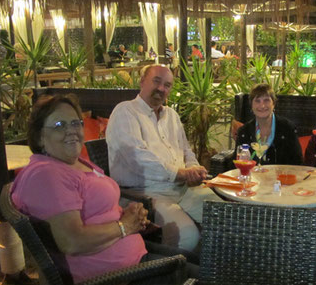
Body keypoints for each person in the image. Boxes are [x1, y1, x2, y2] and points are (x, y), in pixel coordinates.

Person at [11, 94, 194, 284]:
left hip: (133, 256)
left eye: (76, 123)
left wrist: (128, 214)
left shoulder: (73, 163)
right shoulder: (46, 175)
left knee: (200, 264)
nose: (72, 130)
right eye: (59, 125)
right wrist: (125, 226)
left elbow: (94, 208)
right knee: (206, 275)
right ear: (40, 136)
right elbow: (72, 241)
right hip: (119, 275)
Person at [106, 65, 221, 252]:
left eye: (167, 85)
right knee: (187, 236)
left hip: (183, 189)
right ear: (142, 81)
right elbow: (137, 158)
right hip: (147, 195)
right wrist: (180, 173)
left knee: (227, 216)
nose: (161, 89)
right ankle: (171, 273)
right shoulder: (125, 111)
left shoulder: (172, 116)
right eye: (156, 81)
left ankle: (213, 269)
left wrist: (194, 169)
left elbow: (186, 151)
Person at [235, 83, 303, 165]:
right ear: (251, 105)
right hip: (252, 177)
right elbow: (236, 165)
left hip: (281, 176)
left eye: (266, 100)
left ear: (273, 104)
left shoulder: (287, 128)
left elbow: (297, 163)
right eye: (257, 101)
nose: (262, 105)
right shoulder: (244, 132)